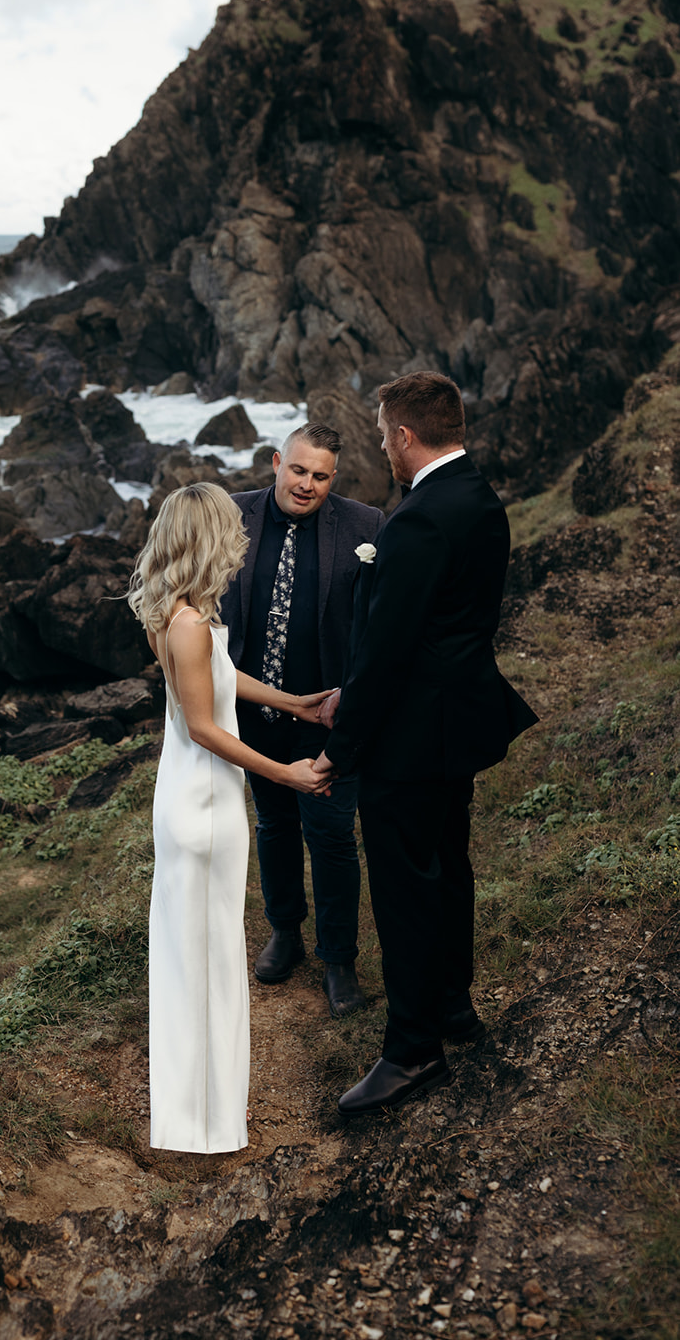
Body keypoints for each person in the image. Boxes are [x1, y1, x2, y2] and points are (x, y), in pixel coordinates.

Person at [313, 372, 537, 1116]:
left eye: (382, 434)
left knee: (407, 889)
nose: (381, 444)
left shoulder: (417, 521)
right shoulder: (476, 496)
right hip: (456, 725)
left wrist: (340, 749)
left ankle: (411, 1052)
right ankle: (451, 1006)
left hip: (409, 742)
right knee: (447, 868)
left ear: (406, 437)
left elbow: (387, 650)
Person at [128, 482, 331, 1154]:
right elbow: (204, 726)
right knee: (207, 962)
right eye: (229, 531)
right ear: (208, 539)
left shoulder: (183, 614)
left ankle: (201, 1117)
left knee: (197, 960)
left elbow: (222, 674)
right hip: (204, 806)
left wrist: (294, 703)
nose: (240, 541)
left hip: (192, 799)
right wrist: (285, 774)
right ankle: (203, 1127)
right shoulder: (187, 626)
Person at [219, 424, 384, 1017]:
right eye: (298, 470)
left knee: (334, 838)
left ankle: (338, 958)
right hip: (255, 715)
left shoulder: (367, 528)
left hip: (329, 722)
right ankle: (284, 930)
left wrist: (355, 706)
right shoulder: (230, 516)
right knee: (274, 825)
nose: (307, 485)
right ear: (275, 462)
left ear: (333, 478)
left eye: (320, 476)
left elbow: (377, 625)